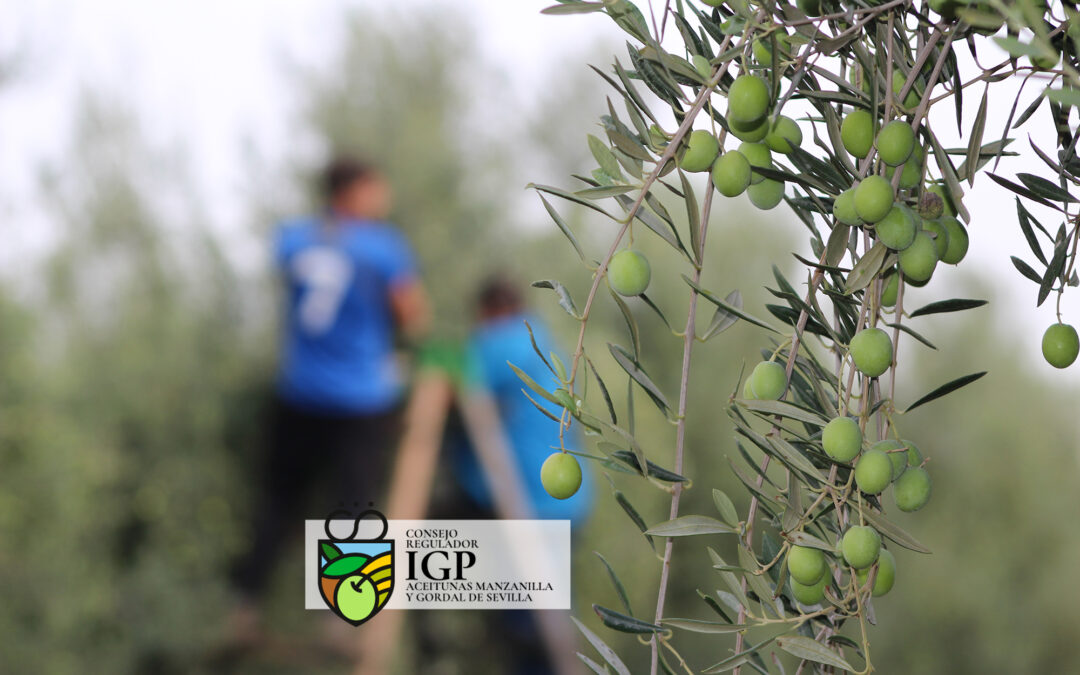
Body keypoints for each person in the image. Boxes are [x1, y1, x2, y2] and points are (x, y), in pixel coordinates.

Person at [229, 155, 429, 639]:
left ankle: (242, 606)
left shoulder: (293, 238)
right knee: (355, 506)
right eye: (376, 189)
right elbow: (412, 314)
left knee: (278, 500)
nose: (383, 199)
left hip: (299, 392)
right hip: (360, 398)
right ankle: (343, 617)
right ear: (353, 191)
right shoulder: (383, 247)